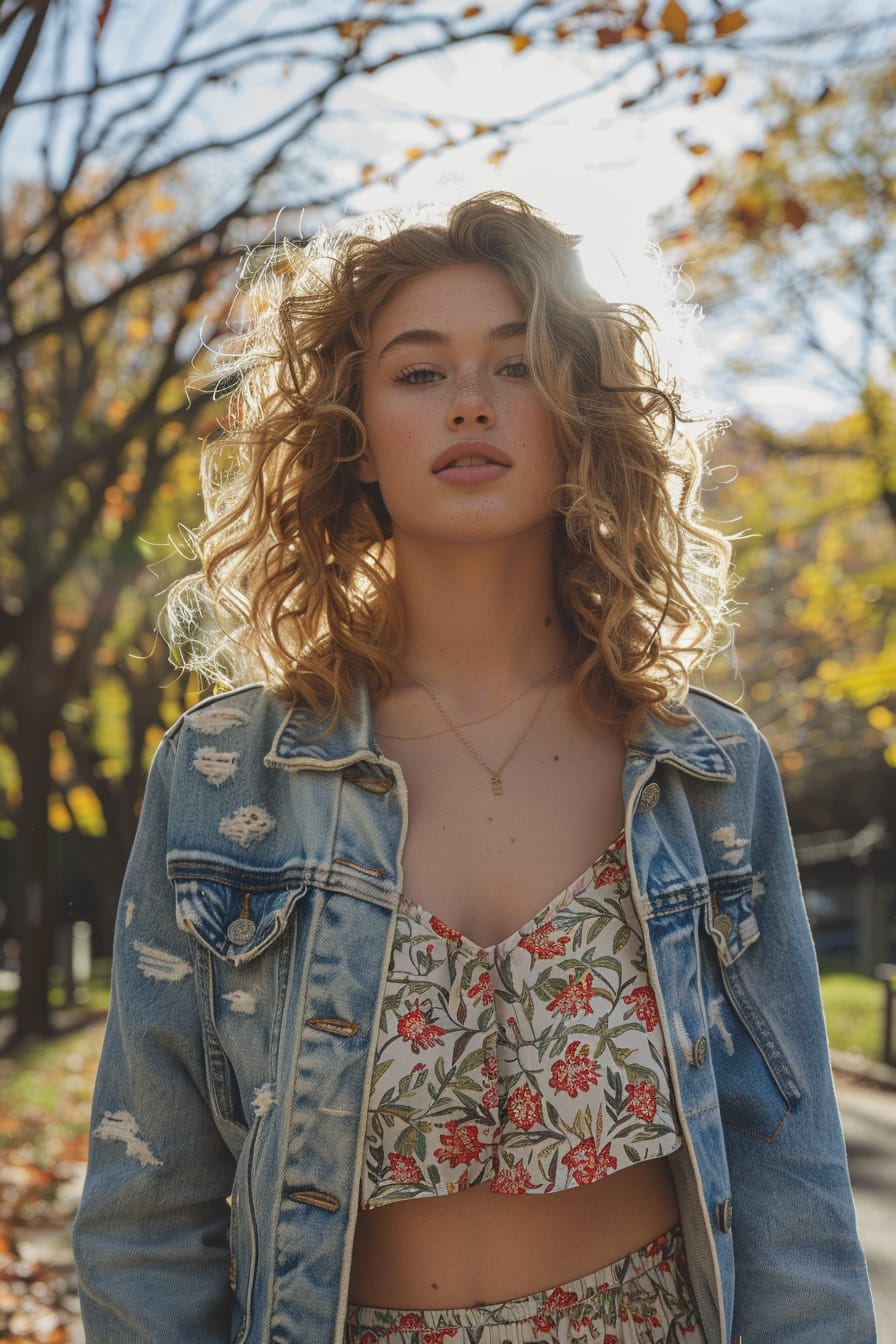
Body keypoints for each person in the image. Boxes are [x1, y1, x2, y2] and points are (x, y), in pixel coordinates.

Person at [72, 192, 876, 1344]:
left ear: (578, 416)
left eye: (516, 366)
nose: (467, 402)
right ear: (350, 433)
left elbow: (789, 1181)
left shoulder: (705, 769)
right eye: (416, 372)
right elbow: (149, 1213)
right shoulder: (221, 777)